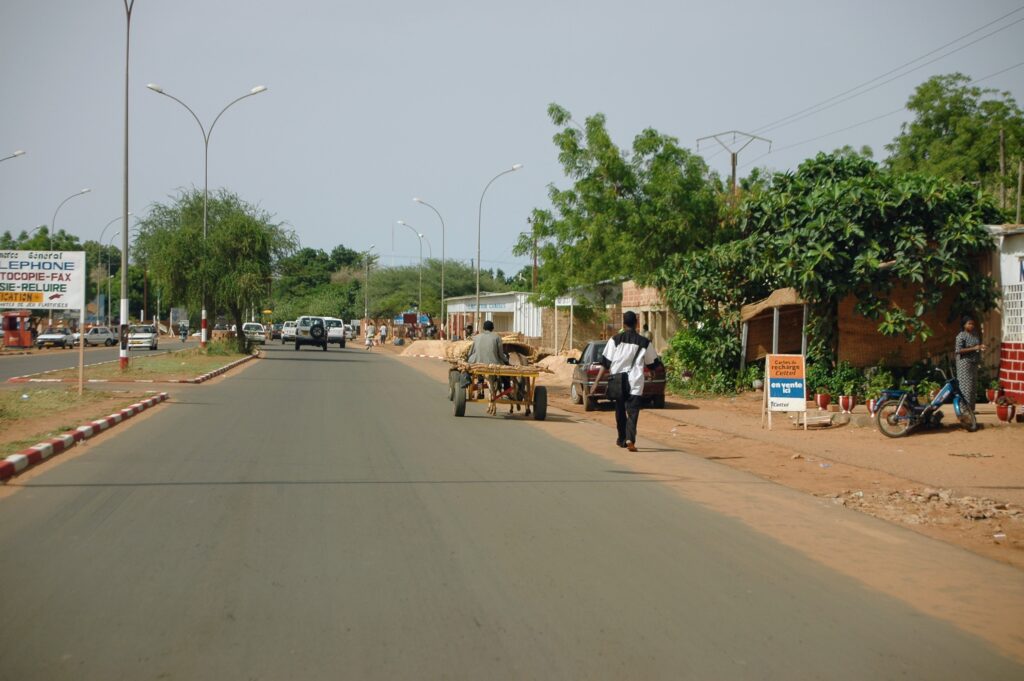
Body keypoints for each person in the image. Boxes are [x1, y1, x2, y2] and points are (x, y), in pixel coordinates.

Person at [592, 311, 659, 452]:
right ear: (636, 323)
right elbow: (652, 363)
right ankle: (630, 439)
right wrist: (652, 373)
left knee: (620, 410)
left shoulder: (614, 340)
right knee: (633, 412)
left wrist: (596, 383)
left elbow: (605, 363)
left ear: (623, 323)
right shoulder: (645, 342)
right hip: (635, 381)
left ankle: (622, 438)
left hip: (617, 380)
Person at [954, 315, 985, 409]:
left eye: (973, 324)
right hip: (964, 363)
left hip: (973, 362)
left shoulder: (975, 334)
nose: (972, 325)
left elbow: (976, 346)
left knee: (973, 386)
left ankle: (971, 409)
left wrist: (980, 347)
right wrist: (974, 348)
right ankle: (963, 408)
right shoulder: (961, 335)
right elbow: (958, 350)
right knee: (965, 387)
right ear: (964, 325)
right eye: (969, 323)